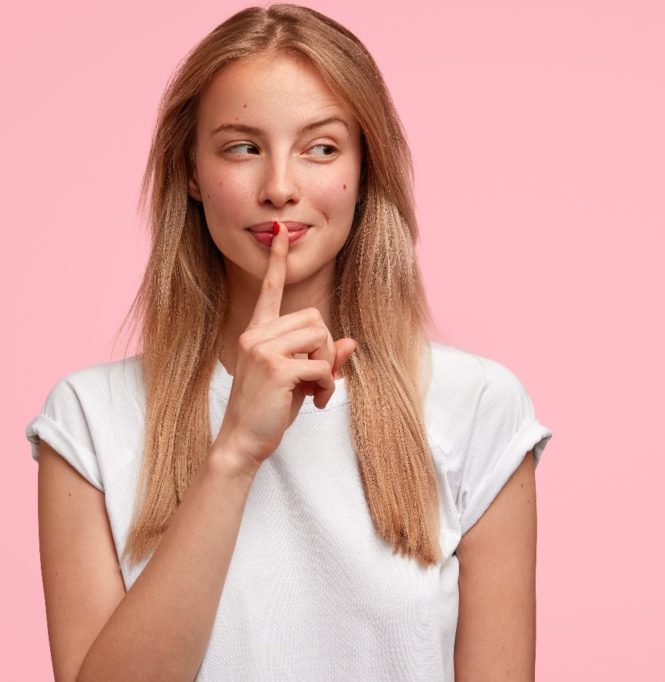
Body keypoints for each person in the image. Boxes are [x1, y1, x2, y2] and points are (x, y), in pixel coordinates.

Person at [25, 5, 553, 681]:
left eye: (321, 148)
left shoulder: (478, 406)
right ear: (190, 171)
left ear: (364, 172)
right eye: (242, 148)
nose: (279, 187)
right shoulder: (88, 420)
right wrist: (235, 452)